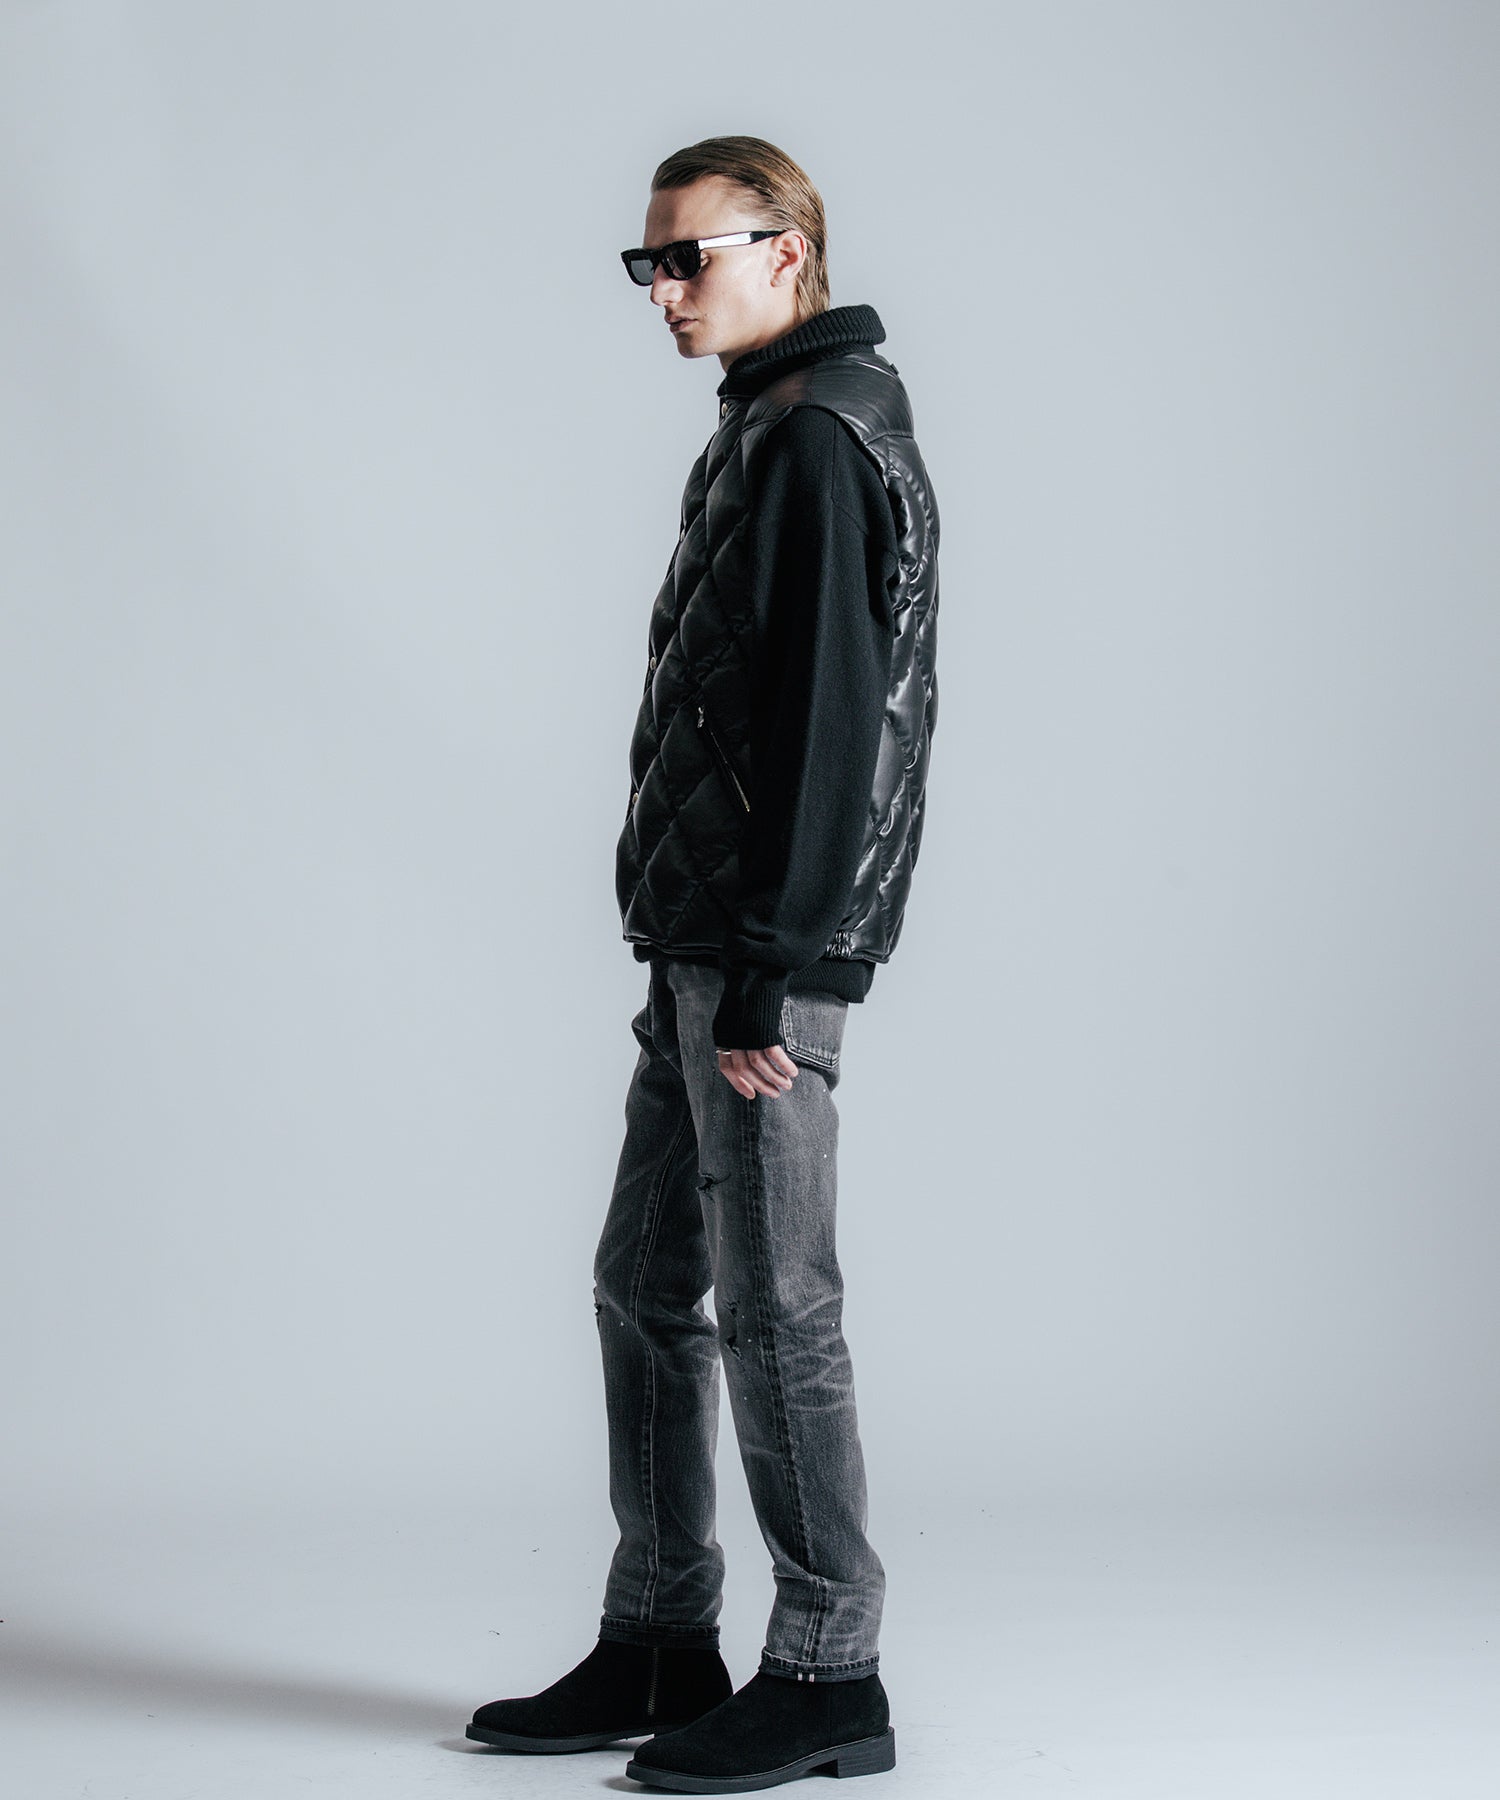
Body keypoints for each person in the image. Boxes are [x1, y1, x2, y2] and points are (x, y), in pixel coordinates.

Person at [466, 134, 940, 1793]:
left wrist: (765, 967)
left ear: (787, 251)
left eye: (690, 258)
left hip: (755, 964)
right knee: (643, 1281)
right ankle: (665, 1632)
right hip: (701, 947)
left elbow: (832, 730)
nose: (663, 291)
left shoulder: (815, 436)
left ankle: (828, 1670)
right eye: (647, 264)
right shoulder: (769, 419)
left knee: (775, 1306)